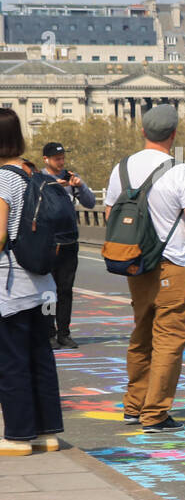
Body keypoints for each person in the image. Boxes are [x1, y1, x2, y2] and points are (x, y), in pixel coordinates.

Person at [104, 103, 185, 432]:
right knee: (169, 340)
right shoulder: (179, 171)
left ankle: (133, 406)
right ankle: (156, 414)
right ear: (173, 134)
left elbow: (109, 217)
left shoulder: (122, 168)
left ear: (143, 131)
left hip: (135, 265)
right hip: (171, 264)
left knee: (141, 334)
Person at [0, 110, 64, 455]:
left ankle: (18, 435)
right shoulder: (33, 173)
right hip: (43, 280)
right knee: (40, 355)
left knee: (10, 360)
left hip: (11, 284)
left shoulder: (2, 179)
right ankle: (46, 432)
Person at [40, 141, 96, 348]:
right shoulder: (40, 180)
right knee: (47, 290)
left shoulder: (70, 177)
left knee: (65, 289)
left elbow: (90, 203)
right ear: (46, 159)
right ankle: (49, 333)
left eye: (63, 157)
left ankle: (64, 332)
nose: (61, 161)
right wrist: (57, 187)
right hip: (47, 243)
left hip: (69, 242)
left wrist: (79, 186)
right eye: (57, 158)